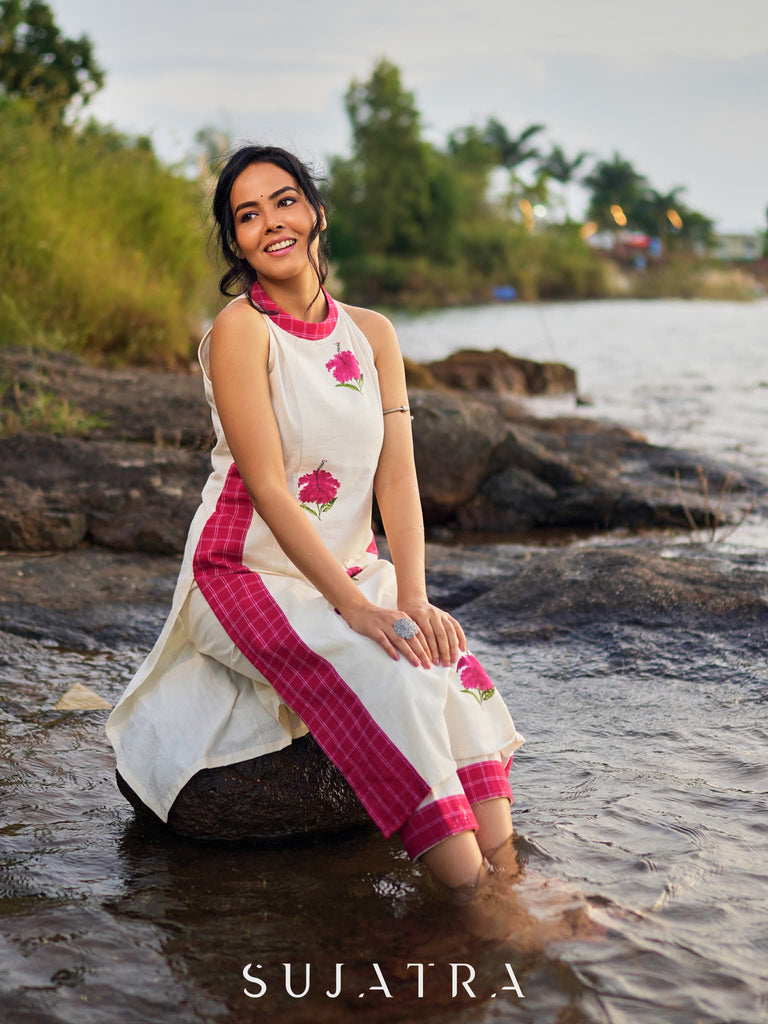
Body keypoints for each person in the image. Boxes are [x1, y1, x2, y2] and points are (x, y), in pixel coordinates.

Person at [106, 144, 525, 895]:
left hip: (354, 562)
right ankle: (474, 902)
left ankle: (510, 872)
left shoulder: (374, 334)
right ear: (236, 242)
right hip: (242, 572)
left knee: (448, 663)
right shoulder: (241, 331)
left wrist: (412, 597)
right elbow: (267, 486)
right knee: (389, 672)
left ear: (317, 211)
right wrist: (358, 608)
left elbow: (397, 475)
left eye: (285, 200)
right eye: (247, 214)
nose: (271, 222)